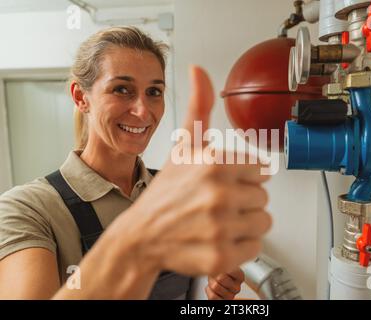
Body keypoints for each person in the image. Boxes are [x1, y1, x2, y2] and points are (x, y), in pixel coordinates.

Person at [0, 26, 271, 299]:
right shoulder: (27, 209)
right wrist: (139, 245)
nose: (142, 111)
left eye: (154, 92)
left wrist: (208, 293)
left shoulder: (176, 193)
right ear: (81, 97)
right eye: (121, 89)